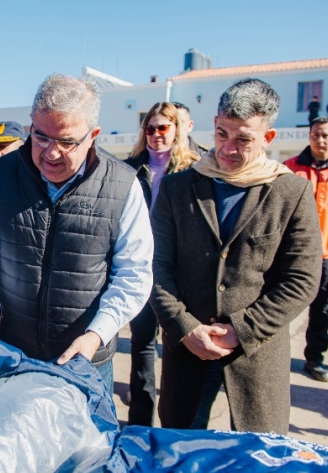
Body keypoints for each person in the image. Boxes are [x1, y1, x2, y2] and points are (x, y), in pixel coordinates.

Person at [0, 74, 154, 395]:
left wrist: (95, 335)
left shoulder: (124, 186)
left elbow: (134, 276)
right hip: (15, 351)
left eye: (67, 141)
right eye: (41, 137)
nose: (51, 153)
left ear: (93, 136)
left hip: (86, 359)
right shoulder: (2, 176)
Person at [150, 78, 322, 434]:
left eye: (243, 138)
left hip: (257, 356)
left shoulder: (291, 191)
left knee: (260, 458)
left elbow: (302, 278)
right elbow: (155, 268)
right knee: (180, 453)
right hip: (188, 352)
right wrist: (185, 328)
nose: (228, 148)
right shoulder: (177, 188)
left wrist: (241, 331)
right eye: (222, 133)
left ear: (267, 138)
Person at [124, 102, 200, 426]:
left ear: (177, 130)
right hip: (139, 268)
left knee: (174, 348)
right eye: (150, 128)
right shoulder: (129, 168)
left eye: (163, 128)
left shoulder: (193, 169)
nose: (155, 134)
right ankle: (140, 423)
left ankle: (172, 423)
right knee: (141, 346)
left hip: (175, 275)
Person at [284, 116, 328, 382]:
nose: (320, 140)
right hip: (291, 254)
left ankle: (314, 359)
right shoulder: (290, 168)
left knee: (322, 310)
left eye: (325, 135)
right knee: (282, 305)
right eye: (315, 135)